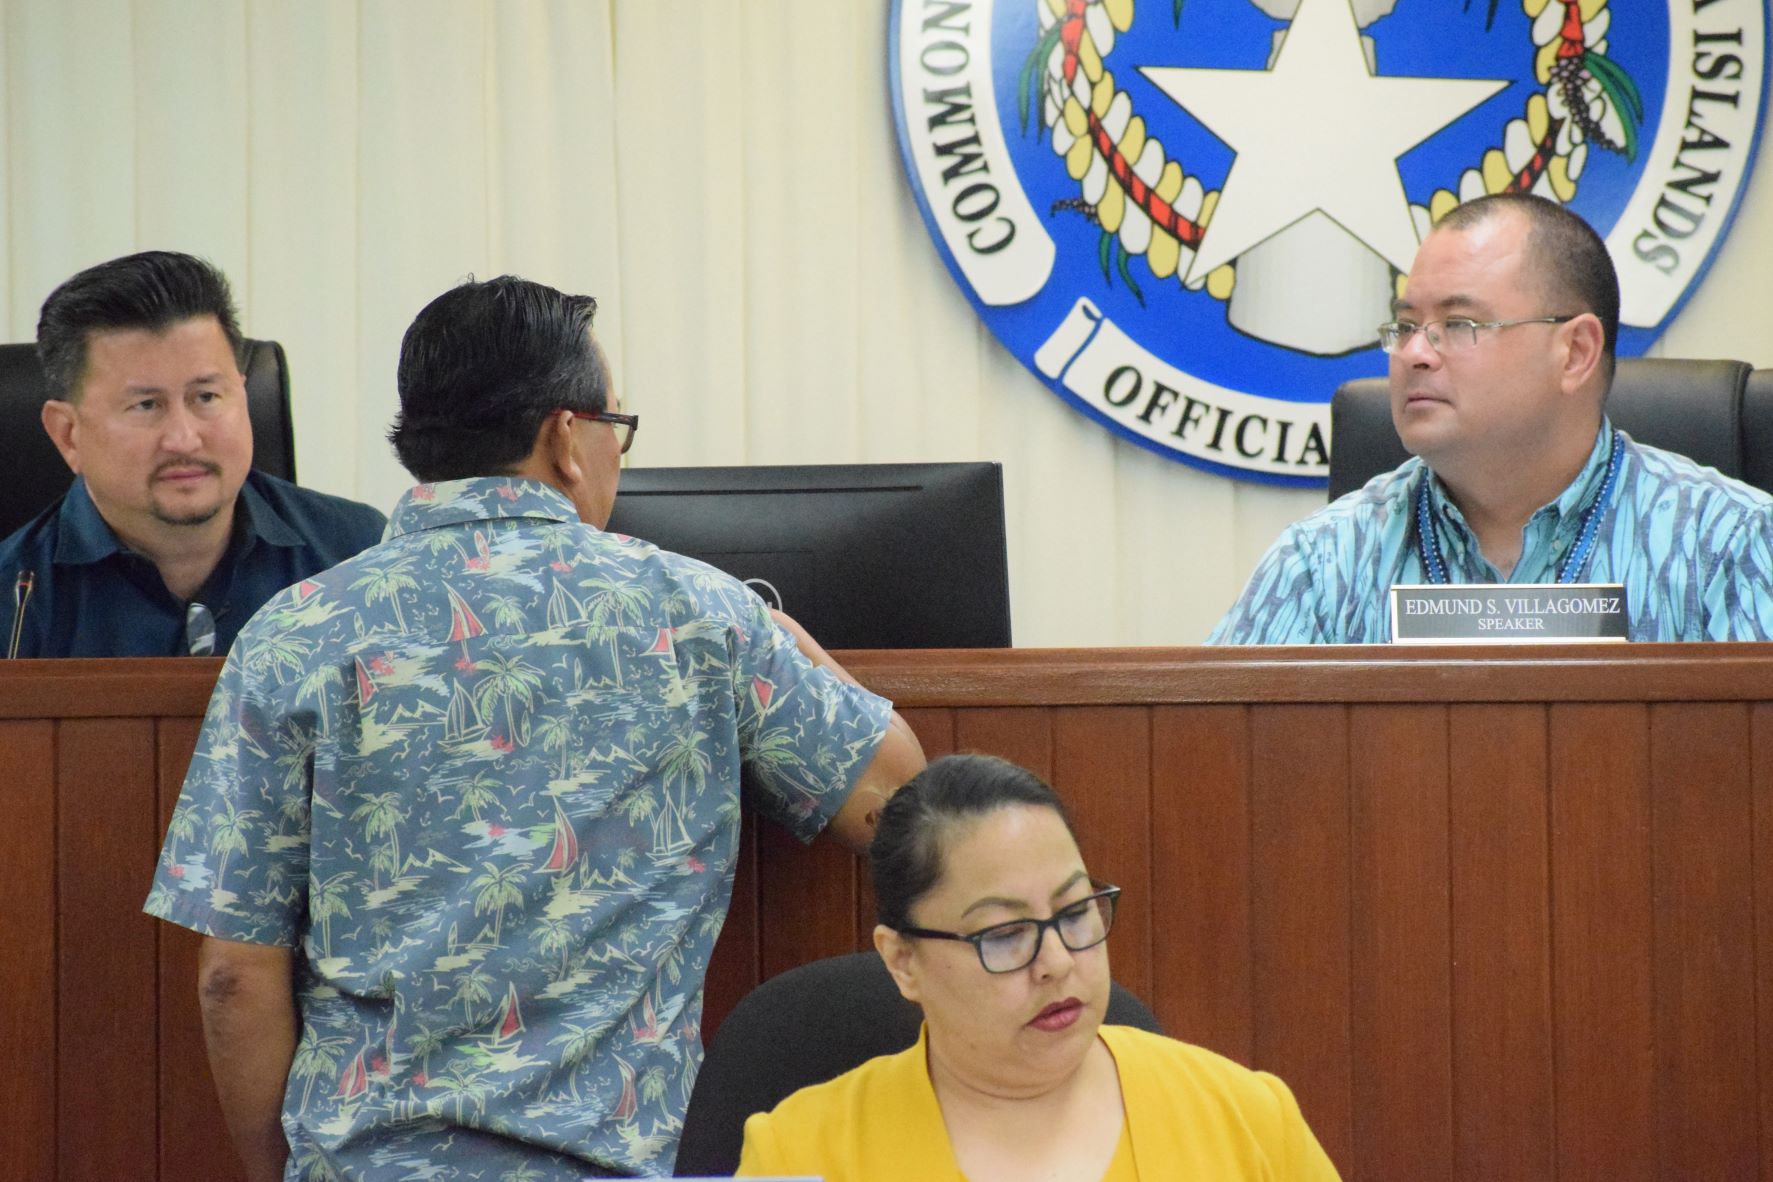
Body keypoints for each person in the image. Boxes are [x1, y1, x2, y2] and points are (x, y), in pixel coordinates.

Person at [142, 276, 927, 1180]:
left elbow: (233, 976)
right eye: (614, 429)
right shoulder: (697, 615)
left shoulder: (294, 632)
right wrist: (779, 635)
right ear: (565, 436)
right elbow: (896, 802)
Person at [737, 753, 1340, 1181]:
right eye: (1004, 934)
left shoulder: (1249, 1121)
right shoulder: (799, 1153)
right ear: (903, 961)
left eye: (1074, 912)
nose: (1055, 962)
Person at [1210, 192, 1773, 644]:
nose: (1414, 354)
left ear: (1575, 352)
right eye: (1406, 326)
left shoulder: (1732, 544)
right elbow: (1218, 768)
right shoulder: (1322, 563)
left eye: (1459, 324)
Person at [0, 250, 386, 658]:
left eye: (206, 396)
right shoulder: (14, 604)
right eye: (147, 405)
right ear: (68, 434)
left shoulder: (361, 556)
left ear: (242, 394)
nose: (184, 439)